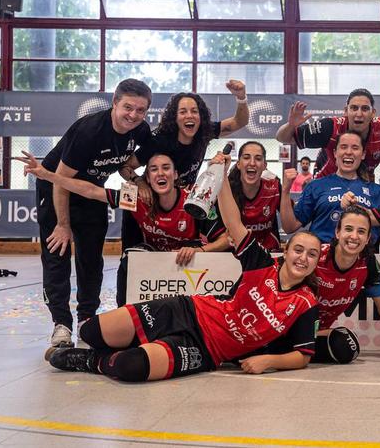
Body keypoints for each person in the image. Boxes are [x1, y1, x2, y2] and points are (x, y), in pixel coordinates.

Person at [44, 156, 322, 381]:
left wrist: (267, 361)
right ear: (286, 251)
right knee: (91, 332)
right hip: (188, 311)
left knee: (130, 367)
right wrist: (221, 176)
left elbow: (302, 355)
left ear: (176, 174)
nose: (303, 258)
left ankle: (95, 361)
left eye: (311, 254)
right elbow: (234, 226)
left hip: (207, 349)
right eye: (298, 250)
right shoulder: (262, 263)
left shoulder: (306, 301)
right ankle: (125, 345)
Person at [19, 151, 231, 307]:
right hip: (157, 264)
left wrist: (199, 251)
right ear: (147, 178)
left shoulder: (192, 200)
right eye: (154, 169)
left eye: (166, 168)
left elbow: (225, 240)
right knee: (131, 255)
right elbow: (93, 191)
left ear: (175, 174)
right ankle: (126, 312)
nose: (160, 174)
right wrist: (49, 175)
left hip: (188, 262)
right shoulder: (137, 198)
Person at [38, 78, 152, 349]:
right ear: (115, 104)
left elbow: (125, 165)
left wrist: (138, 181)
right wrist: (63, 224)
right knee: (58, 253)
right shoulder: (89, 131)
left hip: (91, 190)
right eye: (128, 107)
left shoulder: (142, 131)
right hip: (56, 187)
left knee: (91, 258)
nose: (133, 115)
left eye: (140, 110)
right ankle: (61, 324)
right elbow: (61, 180)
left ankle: (86, 320)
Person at [246, 206, 380, 364]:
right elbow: (276, 278)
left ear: (368, 238)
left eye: (361, 231)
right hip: (282, 324)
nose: (354, 236)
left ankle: (285, 352)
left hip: (316, 332)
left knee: (346, 347)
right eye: (348, 229)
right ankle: (269, 349)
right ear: (337, 232)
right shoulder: (315, 256)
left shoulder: (367, 264)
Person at [118, 80, 248, 250]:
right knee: (131, 253)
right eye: (183, 112)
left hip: (185, 202)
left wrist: (241, 98)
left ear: (201, 117)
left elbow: (239, 122)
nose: (189, 116)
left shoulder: (204, 133)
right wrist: (140, 183)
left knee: (206, 245)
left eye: (194, 111)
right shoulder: (159, 142)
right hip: (152, 200)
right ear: (175, 118)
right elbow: (124, 166)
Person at [276, 88, 380, 181]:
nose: (359, 114)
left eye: (365, 109)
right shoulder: (329, 127)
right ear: (345, 111)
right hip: (327, 182)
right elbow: (282, 138)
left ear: (373, 113)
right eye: (354, 108)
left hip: (362, 182)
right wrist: (291, 125)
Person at [281, 131, 380, 243]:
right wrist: (285, 191)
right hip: (322, 258)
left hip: (362, 258)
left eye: (355, 148)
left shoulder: (377, 191)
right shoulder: (316, 186)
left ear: (363, 154)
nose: (349, 152)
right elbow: (289, 227)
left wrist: (373, 216)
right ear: (335, 153)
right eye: (343, 147)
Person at [226, 141, 281, 251]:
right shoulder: (227, 190)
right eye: (246, 157)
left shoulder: (274, 187)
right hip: (235, 254)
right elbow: (222, 238)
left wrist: (287, 190)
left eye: (258, 158)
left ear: (265, 166)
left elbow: (290, 226)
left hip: (268, 253)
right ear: (238, 164)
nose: (252, 163)